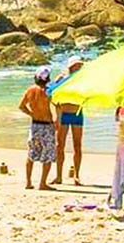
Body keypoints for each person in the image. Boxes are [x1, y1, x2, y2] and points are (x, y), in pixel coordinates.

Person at [18, 66, 56, 191]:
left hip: (34, 125)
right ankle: (42, 183)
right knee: (48, 154)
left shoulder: (30, 90)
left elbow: (22, 106)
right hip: (46, 125)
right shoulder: (48, 91)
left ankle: (28, 182)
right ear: (47, 79)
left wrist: (31, 114)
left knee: (31, 154)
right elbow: (57, 105)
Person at [52, 58, 85, 186]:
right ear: (71, 66)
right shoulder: (62, 78)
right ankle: (58, 176)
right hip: (64, 114)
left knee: (78, 145)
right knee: (60, 146)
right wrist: (57, 114)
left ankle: (76, 176)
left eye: (80, 66)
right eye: (77, 65)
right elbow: (52, 95)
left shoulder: (82, 79)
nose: (79, 68)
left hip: (77, 113)